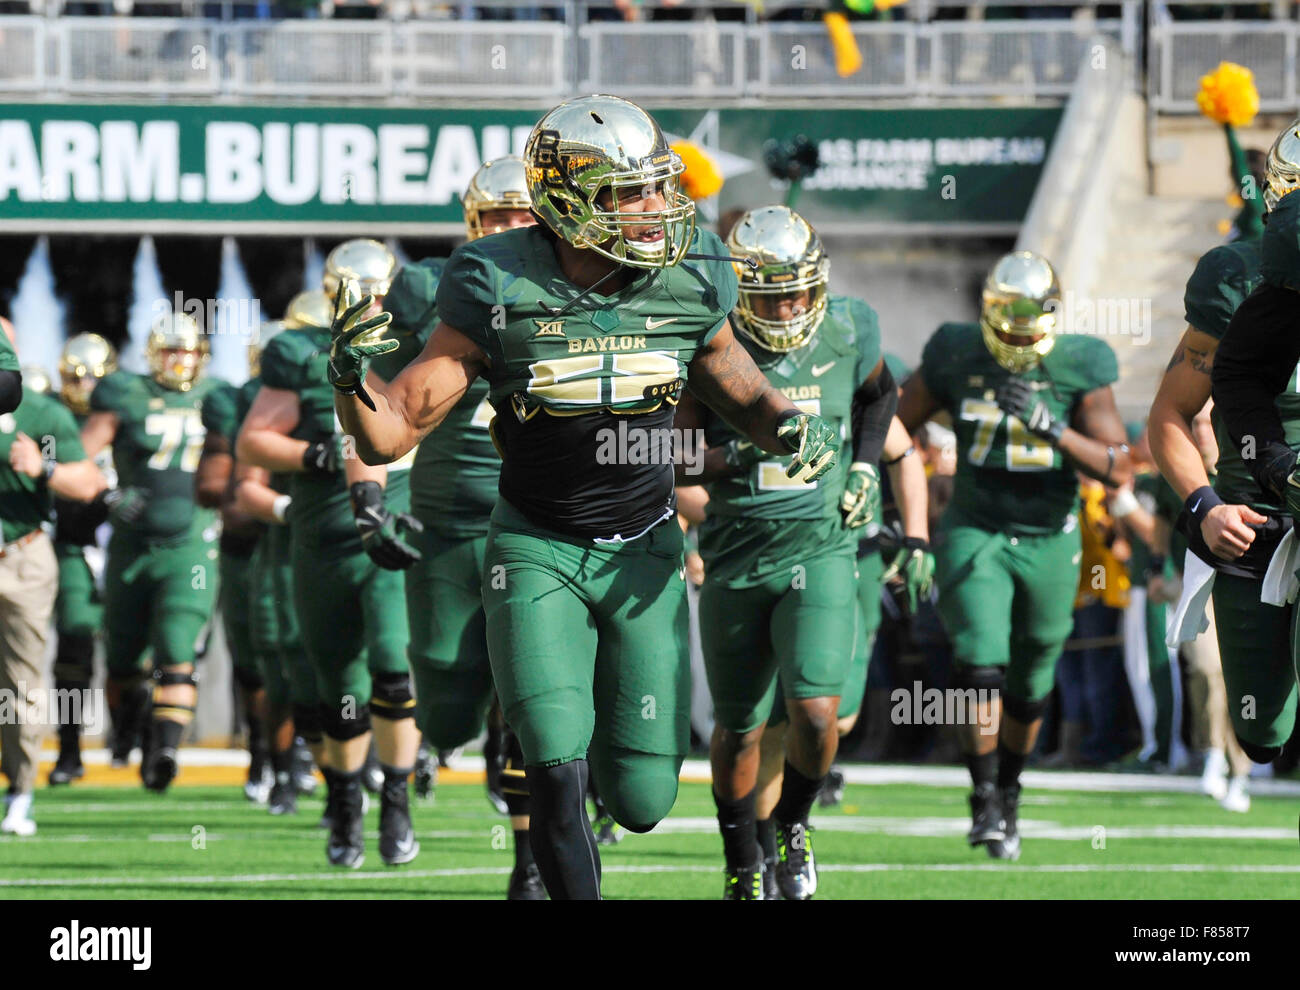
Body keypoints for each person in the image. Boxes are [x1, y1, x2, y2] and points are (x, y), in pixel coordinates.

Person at [330, 95, 840, 900]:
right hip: (537, 550)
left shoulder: (692, 269)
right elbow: (390, 434)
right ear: (568, 199)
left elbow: (737, 384)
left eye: (657, 186)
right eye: (627, 192)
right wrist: (347, 378)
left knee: (642, 801)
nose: (654, 208)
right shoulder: (495, 276)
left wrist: (787, 426)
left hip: (644, 549)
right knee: (554, 760)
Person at [672, 205, 922, 899]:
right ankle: (739, 860)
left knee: (816, 710)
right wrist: (753, 441)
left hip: (823, 548)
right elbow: (666, 457)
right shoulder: (708, 339)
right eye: (771, 290)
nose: (788, 304)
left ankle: (795, 825)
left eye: (798, 288)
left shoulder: (848, 325)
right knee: (742, 727)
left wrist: (867, 467)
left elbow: (880, 395)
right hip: (736, 553)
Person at [898, 251, 1131, 861]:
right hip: (977, 529)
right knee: (979, 662)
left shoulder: (1081, 361)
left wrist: (1053, 427)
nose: (1019, 339)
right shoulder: (956, 349)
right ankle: (982, 798)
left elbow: (1119, 466)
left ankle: (1010, 787)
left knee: (1031, 683)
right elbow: (896, 421)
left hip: (1052, 534)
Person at [382, 155, 544, 899]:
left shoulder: (570, 282)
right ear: (472, 225)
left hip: (539, 518)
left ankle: (533, 861)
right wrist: (368, 496)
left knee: (531, 693)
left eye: (524, 214)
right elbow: (381, 407)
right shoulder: (426, 287)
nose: (513, 228)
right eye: (497, 217)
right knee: (444, 697)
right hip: (446, 521)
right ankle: (452, 739)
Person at [239, 246, 423, 869]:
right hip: (321, 536)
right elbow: (254, 441)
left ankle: (395, 799)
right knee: (338, 686)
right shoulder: (302, 350)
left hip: (392, 529)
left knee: (395, 669)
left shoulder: (419, 341)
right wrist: (314, 457)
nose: (368, 300)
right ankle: (346, 801)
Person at [80, 313, 226, 792]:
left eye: (186, 352)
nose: (178, 360)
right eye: (169, 351)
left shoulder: (219, 398)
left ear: (201, 355)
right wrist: (108, 493)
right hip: (131, 546)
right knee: (122, 660)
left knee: (178, 649)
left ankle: (163, 752)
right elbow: (80, 454)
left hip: (190, 545)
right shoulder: (125, 393)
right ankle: (130, 728)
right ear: (151, 353)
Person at [1199, 119, 1300, 771]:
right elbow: (1233, 372)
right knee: (1260, 731)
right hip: (1269, 509)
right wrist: (1275, 465)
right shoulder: (1272, 268)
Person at [0, 319, 106, 835]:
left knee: (21, 683)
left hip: (22, 554)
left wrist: (40, 468)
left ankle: (20, 791)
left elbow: (89, 481)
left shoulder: (41, 412)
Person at [47, 333, 118, 785]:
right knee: (74, 643)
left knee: (139, 650)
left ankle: (139, 738)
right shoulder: (51, 417)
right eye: (76, 375)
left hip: (131, 543)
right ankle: (70, 749)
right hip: (74, 542)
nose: (85, 385)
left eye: (94, 376)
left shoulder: (128, 411)